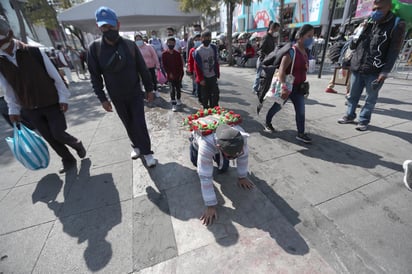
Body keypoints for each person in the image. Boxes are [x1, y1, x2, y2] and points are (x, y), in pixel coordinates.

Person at [0, 16, 86, 173]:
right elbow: (8, 89)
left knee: (58, 133)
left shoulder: (34, 52)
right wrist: (13, 110)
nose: (2, 47)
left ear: (10, 34)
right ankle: (68, 160)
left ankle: (76, 143)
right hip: (29, 108)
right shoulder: (1, 62)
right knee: (50, 137)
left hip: (51, 102)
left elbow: (56, 77)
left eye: (2, 42)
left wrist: (63, 98)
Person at [87, 6, 156, 167]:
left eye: (111, 26)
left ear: (118, 25)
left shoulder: (130, 45)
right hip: (116, 95)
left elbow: (143, 69)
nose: (108, 29)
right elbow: (95, 76)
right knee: (127, 122)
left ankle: (147, 152)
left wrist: (149, 89)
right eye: (104, 27)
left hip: (135, 93)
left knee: (139, 122)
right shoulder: (94, 49)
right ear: (99, 27)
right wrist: (102, 98)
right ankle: (136, 146)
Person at [337, 0, 406, 131]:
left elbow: (394, 51)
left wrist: (385, 72)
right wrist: (346, 60)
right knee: (352, 95)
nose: (375, 12)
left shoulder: (397, 24)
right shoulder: (369, 21)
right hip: (358, 65)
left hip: (376, 70)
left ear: (389, 7)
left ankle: (363, 120)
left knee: (371, 98)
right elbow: (355, 43)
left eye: (379, 9)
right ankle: (349, 115)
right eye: (374, 9)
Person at [189, 123, 254, 225]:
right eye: (231, 155)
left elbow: (243, 157)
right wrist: (210, 205)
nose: (236, 156)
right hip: (199, 142)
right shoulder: (206, 145)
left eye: (238, 153)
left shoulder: (241, 138)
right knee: (195, 162)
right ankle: (193, 146)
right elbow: (205, 177)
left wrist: (242, 177)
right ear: (219, 147)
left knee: (224, 168)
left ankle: (222, 159)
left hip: (220, 146)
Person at [264, 24, 314, 144]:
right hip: (288, 87)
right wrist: (283, 86)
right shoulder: (292, 52)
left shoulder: (305, 52)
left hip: (299, 88)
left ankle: (301, 133)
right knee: (277, 107)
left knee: (301, 111)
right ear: (300, 36)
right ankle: (267, 122)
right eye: (309, 36)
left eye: (312, 36)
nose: (311, 39)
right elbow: (281, 69)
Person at [194, 30, 220, 109]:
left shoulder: (213, 48)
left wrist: (217, 73)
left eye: (209, 38)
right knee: (205, 95)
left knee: (215, 93)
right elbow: (197, 67)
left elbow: (216, 61)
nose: (207, 39)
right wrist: (201, 79)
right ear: (201, 39)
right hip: (204, 77)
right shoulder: (198, 51)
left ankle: (214, 108)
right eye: (205, 38)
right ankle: (206, 109)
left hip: (212, 75)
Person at [252, 21, 280, 94]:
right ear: (272, 29)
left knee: (266, 76)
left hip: (268, 59)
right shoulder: (266, 37)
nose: (277, 32)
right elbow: (261, 48)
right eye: (276, 30)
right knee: (259, 74)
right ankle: (255, 89)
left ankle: (264, 89)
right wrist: (263, 58)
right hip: (263, 59)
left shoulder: (272, 38)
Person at [135, 33, 161, 98]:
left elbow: (154, 56)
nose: (138, 41)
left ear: (142, 39)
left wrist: (157, 65)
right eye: (137, 40)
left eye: (139, 39)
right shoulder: (135, 48)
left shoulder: (148, 46)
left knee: (153, 80)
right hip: (141, 68)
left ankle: (156, 90)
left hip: (150, 67)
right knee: (143, 81)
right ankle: (146, 92)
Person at [162, 37, 184, 112]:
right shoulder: (164, 54)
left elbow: (181, 65)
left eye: (172, 43)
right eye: (169, 43)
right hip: (170, 76)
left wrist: (181, 74)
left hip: (178, 75)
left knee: (178, 89)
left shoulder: (177, 54)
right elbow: (164, 65)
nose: (171, 44)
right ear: (167, 44)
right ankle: (173, 104)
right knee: (172, 90)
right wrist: (169, 73)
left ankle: (178, 99)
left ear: (174, 44)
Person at [186, 33, 202, 102]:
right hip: (195, 70)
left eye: (199, 39)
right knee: (195, 82)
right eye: (196, 40)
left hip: (202, 69)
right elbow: (190, 61)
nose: (198, 41)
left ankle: (200, 94)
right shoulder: (192, 50)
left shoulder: (203, 49)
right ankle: (196, 91)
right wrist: (191, 71)